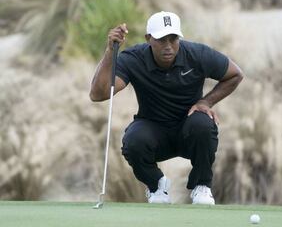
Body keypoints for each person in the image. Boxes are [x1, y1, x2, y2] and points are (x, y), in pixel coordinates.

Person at [89, 11, 244, 205]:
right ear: (148, 39)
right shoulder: (134, 58)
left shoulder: (197, 54)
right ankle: (157, 186)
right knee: (133, 140)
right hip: (153, 131)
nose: (169, 46)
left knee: (203, 123)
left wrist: (206, 102)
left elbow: (235, 74)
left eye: (173, 39)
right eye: (162, 40)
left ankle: (202, 186)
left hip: (190, 130)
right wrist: (111, 52)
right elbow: (98, 94)